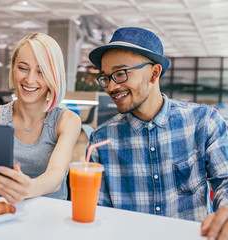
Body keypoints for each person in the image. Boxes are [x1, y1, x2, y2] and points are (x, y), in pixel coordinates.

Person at [87, 26, 228, 239]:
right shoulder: (101, 141)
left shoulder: (203, 122)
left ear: (154, 73)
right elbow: (99, 215)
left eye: (120, 74)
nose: (111, 87)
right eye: (106, 77)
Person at [0, 33, 82, 204]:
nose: (30, 79)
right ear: (13, 68)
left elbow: (56, 176)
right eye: (23, 68)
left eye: (41, 71)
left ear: (53, 76)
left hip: (50, 215)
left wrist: (26, 188)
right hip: (4, 212)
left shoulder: (67, 121)